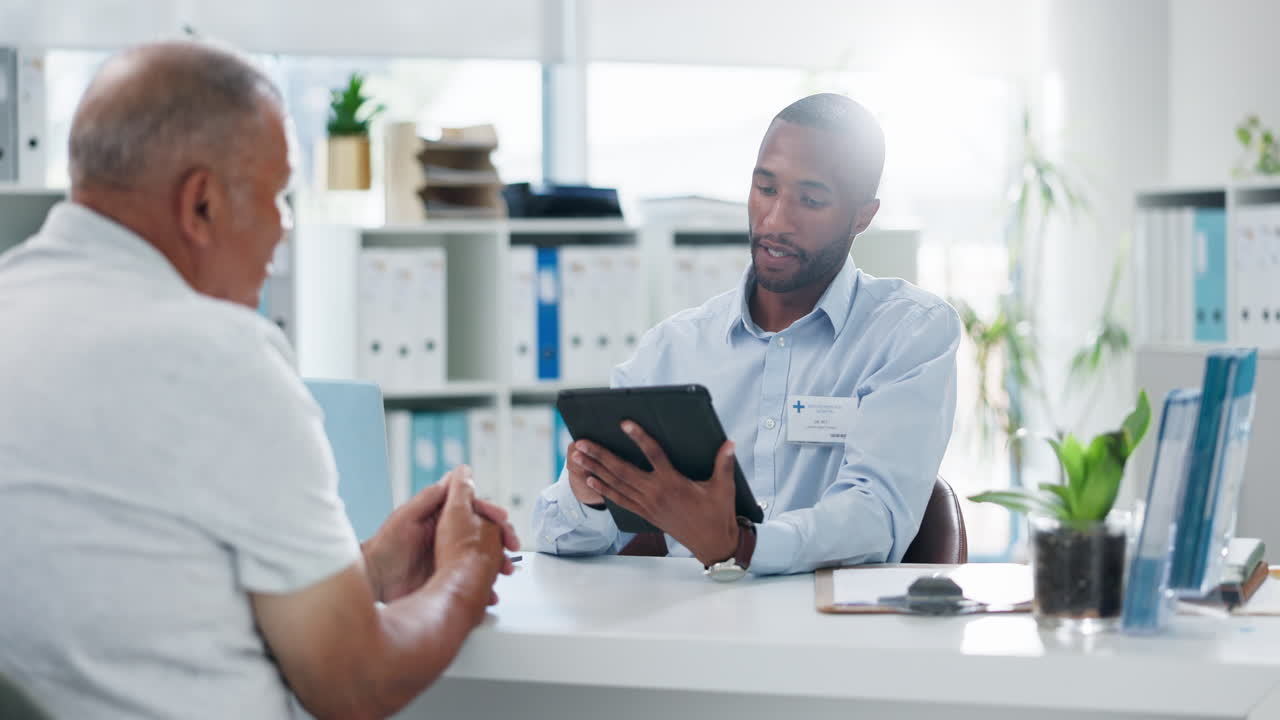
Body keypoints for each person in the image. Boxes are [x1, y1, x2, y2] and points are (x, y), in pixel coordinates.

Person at [0, 41, 518, 719]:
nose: (284, 230)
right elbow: (356, 684)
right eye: (277, 197)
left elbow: (136, 598)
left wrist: (368, 570)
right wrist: (464, 574)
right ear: (202, 204)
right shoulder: (219, 355)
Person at [532, 93, 960, 577]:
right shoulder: (674, 348)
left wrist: (743, 545)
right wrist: (589, 496)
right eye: (765, 188)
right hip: (690, 618)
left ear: (862, 216)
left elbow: (875, 516)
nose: (775, 221)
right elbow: (559, 537)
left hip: (824, 619)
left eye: (811, 200)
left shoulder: (909, 332)